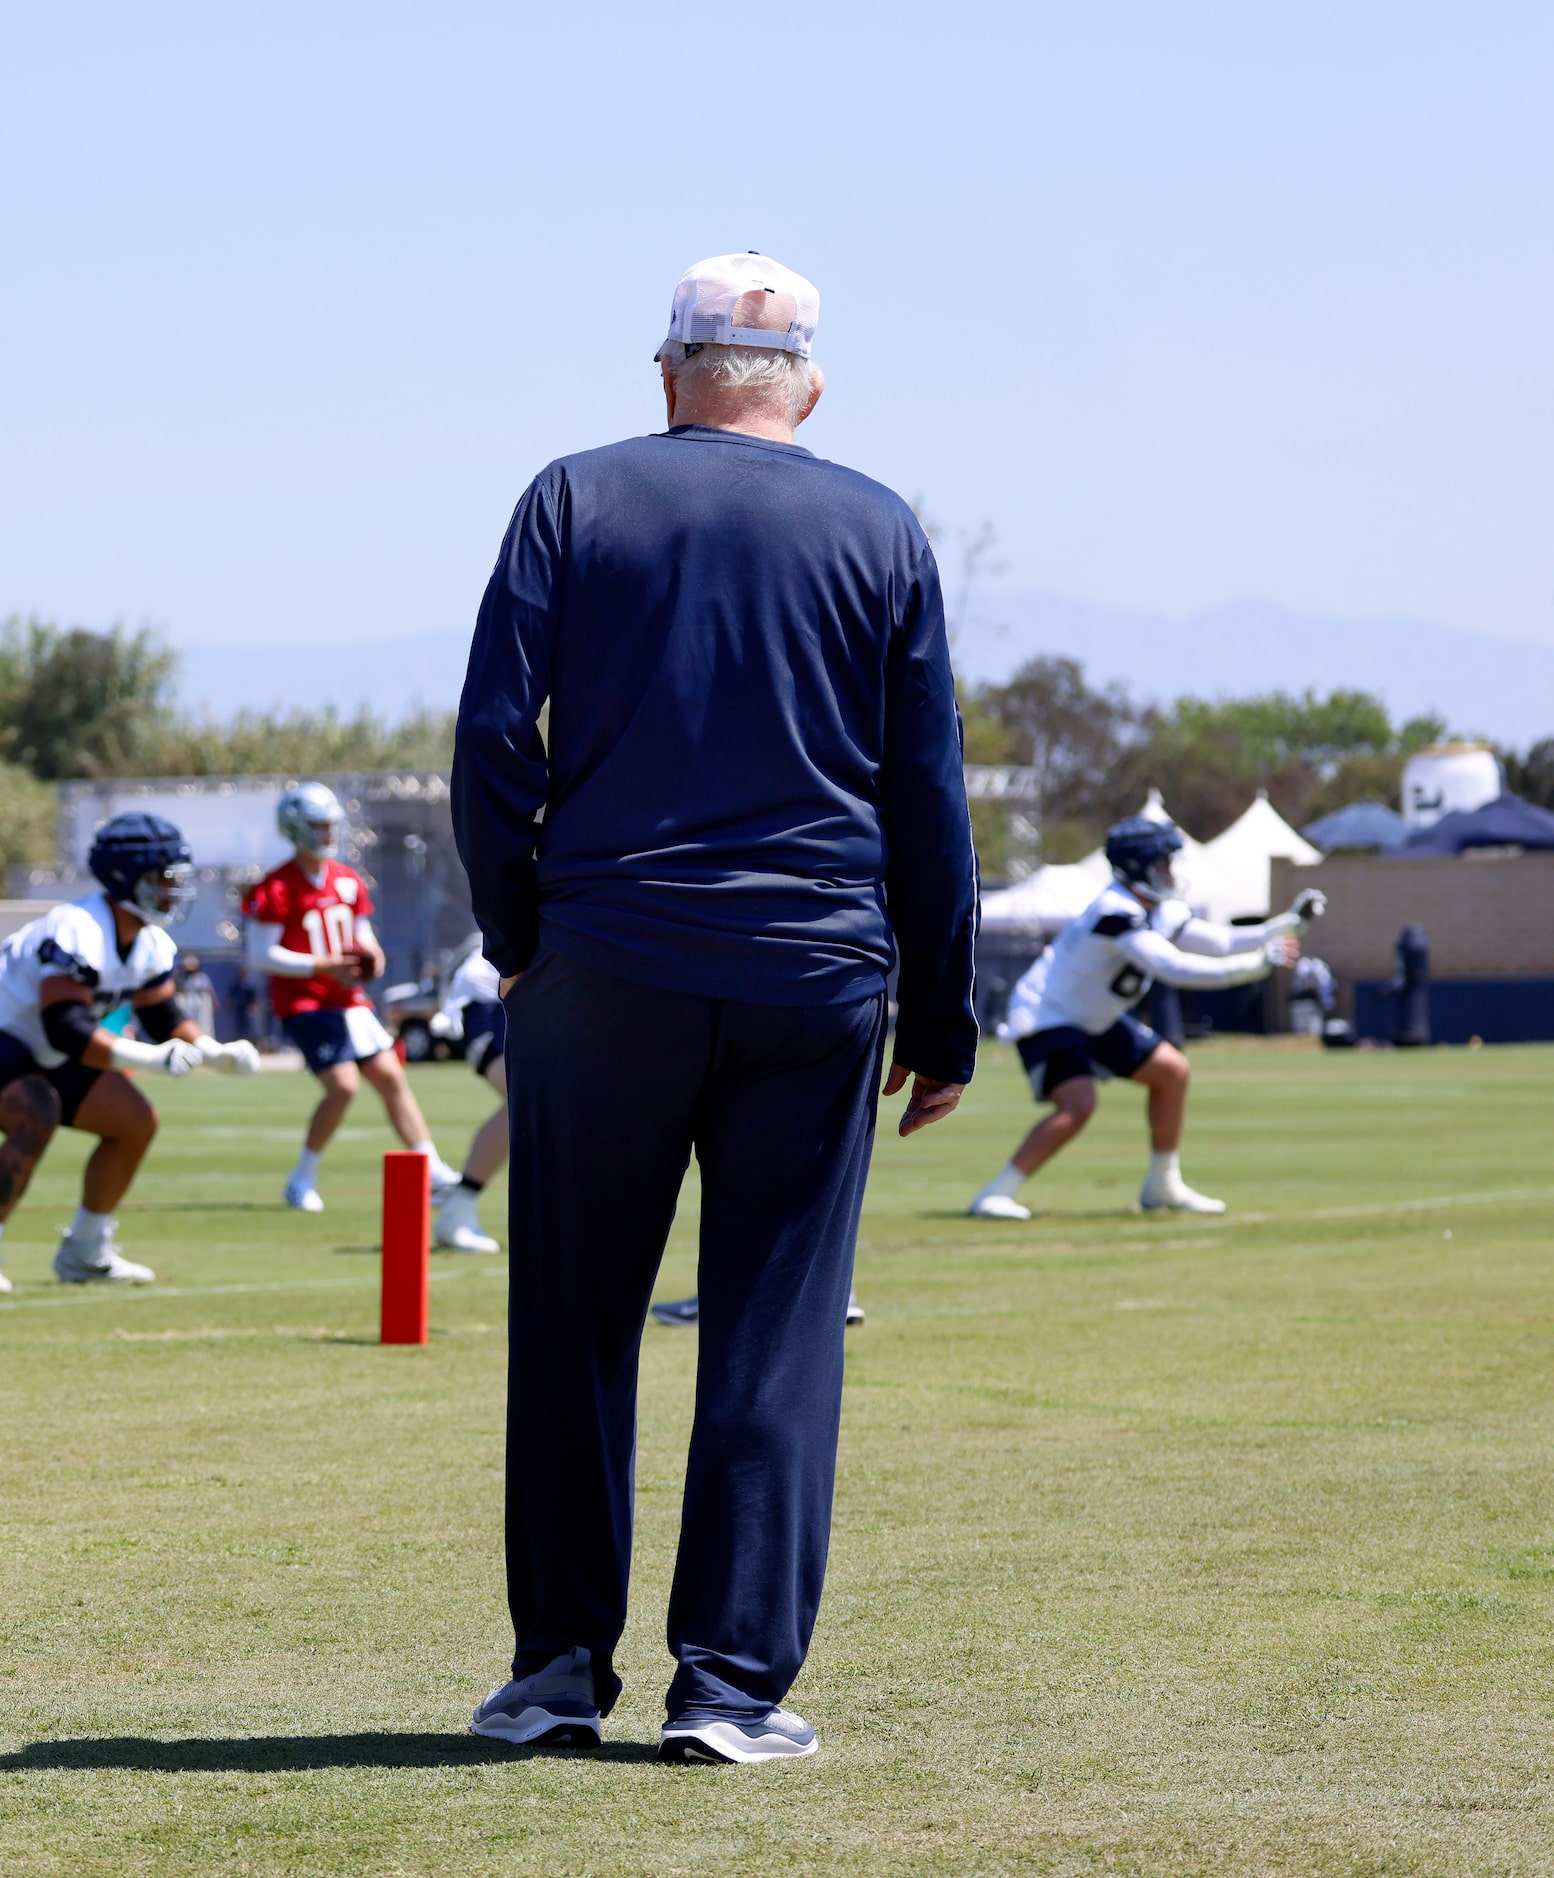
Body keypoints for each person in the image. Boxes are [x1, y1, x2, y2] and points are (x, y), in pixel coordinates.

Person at [451, 253, 978, 1763]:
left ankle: (554, 1670)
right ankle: (730, 1690)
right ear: (805, 384)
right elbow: (922, 793)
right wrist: (941, 1015)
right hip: (812, 974)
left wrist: (515, 933)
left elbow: (494, 739)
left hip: (602, 966)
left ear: (666, 370)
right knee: (772, 1332)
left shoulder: (573, 495)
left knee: (572, 1328)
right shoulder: (876, 523)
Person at [0, 813, 259, 1293]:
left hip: (39, 1041)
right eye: (163, 878)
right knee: (37, 1110)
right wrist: (151, 1059)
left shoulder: (148, 941)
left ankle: (85, 1250)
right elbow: (66, 1029)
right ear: (129, 879)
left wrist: (212, 1052)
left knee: (134, 1120)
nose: (174, 890)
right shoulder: (77, 928)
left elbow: (161, 1014)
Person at [968, 821, 1316, 1220]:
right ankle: (996, 1192)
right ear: (1137, 867)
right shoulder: (1115, 912)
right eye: (1163, 863)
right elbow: (1174, 967)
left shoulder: (1160, 909)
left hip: (1095, 1016)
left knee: (1172, 1072)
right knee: (1079, 1102)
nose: (1171, 872)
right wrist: (1256, 966)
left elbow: (1220, 942)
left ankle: (1163, 1184)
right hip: (1049, 1014)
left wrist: (1287, 923)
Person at [242, 781, 458, 1213]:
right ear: (296, 828)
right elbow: (259, 955)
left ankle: (430, 1168)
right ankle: (301, 1178)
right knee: (342, 1087)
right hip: (306, 1003)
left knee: (392, 1076)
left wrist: (372, 957)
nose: (326, 834)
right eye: (318, 826)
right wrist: (321, 966)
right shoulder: (278, 886)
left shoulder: (346, 879)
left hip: (349, 1001)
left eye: (329, 826)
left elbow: (361, 936)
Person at [424, 942, 507, 1253]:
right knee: (531, 1098)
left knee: (542, 1103)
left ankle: (459, 1208)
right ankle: (458, 1209)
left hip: (509, 996)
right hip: (490, 1001)